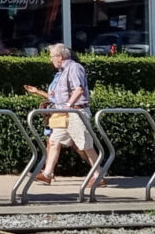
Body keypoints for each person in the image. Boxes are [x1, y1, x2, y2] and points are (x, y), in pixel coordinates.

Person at [25, 43, 101, 186]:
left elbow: (79, 90)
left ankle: (98, 174)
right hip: (63, 113)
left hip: (75, 112)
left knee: (85, 145)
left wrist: (68, 105)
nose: (51, 60)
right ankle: (47, 174)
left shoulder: (74, 68)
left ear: (60, 56)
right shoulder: (62, 71)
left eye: (52, 56)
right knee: (54, 141)